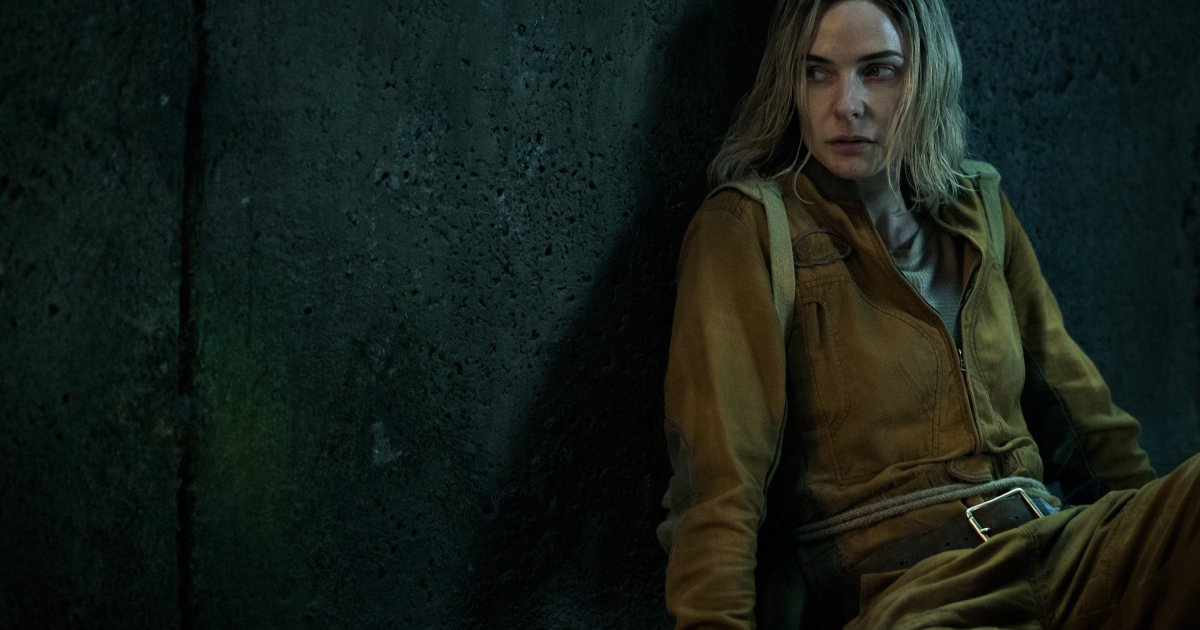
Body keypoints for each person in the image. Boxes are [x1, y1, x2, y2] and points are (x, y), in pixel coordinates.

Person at [657, 0, 1200, 628]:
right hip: (912, 593)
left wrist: (1154, 552)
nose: (847, 104)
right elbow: (716, 487)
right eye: (817, 72)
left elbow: (1090, 425)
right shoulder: (748, 229)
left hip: (1061, 550)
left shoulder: (980, 208)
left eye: (877, 71)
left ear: (926, 76)